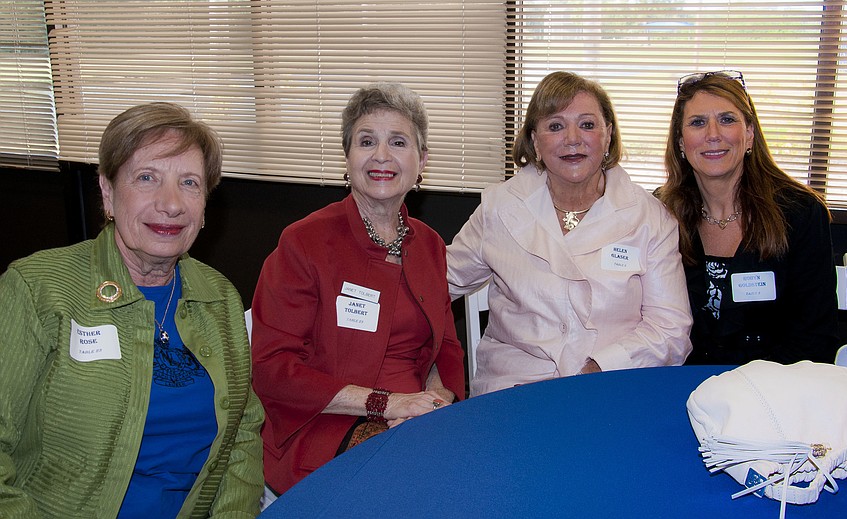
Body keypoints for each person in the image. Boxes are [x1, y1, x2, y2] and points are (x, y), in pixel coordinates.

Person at [0, 102, 264, 518]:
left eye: (190, 183)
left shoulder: (218, 296)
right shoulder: (38, 289)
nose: (171, 204)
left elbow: (243, 432)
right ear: (107, 191)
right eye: (147, 178)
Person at [251, 82, 465, 502]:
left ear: (421, 162)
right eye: (367, 141)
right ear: (347, 158)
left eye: (398, 142)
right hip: (320, 424)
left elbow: (447, 351)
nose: (381, 156)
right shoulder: (304, 242)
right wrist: (388, 405)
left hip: (413, 422)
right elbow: (273, 369)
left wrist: (434, 404)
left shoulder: (429, 245)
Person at [446, 71, 693, 397]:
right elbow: (435, 285)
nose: (572, 138)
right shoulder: (501, 207)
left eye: (588, 125)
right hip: (514, 390)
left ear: (608, 136)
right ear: (535, 140)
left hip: (611, 384)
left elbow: (670, 329)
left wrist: (593, 370)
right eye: (555, 126)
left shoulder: (650, 218)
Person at [657, 70, 840, 365]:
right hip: (679, 384)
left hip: (772, 389)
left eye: (727, 119)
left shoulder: (799, 213)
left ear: (750, 133)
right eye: (697, 123)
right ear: (680, 142)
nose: (713, 134)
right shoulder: (660, 214)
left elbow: (816, 338)